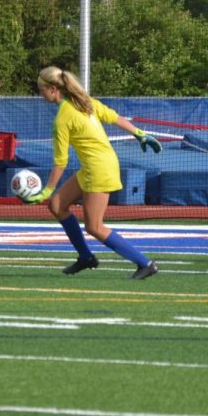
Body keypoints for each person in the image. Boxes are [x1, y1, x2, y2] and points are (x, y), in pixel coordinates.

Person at [26, 66, 161, 280]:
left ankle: (145, 263)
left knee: (94, 226)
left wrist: (47, 190)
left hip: (99, 169)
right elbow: (114, 117)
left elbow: (61, 161)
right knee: (57, 205)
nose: (40, 94)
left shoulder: (63, 118)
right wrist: (139, 134)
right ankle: (86, 257)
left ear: (53, 89)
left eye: (41, 89)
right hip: (94, 166)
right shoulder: (84, 102)